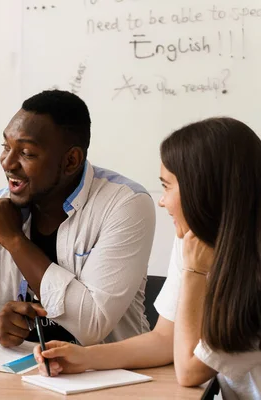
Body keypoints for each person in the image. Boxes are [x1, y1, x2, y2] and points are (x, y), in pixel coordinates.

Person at [33, 117, 261, 399]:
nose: (162, 201)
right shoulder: (193, 242)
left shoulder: (225, 264)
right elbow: (165, 339)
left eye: (167, 187)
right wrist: (84, 358)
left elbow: (189, 371)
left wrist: (193, 273)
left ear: (202, 191)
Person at [0, 90, 156, 347]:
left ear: (71, 161)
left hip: (111, 375)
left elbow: (91, 326)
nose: (8, 163)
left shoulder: (125, 204)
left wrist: (14, 240)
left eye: (27, 153)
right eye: (6, 147)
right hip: (18, 372)